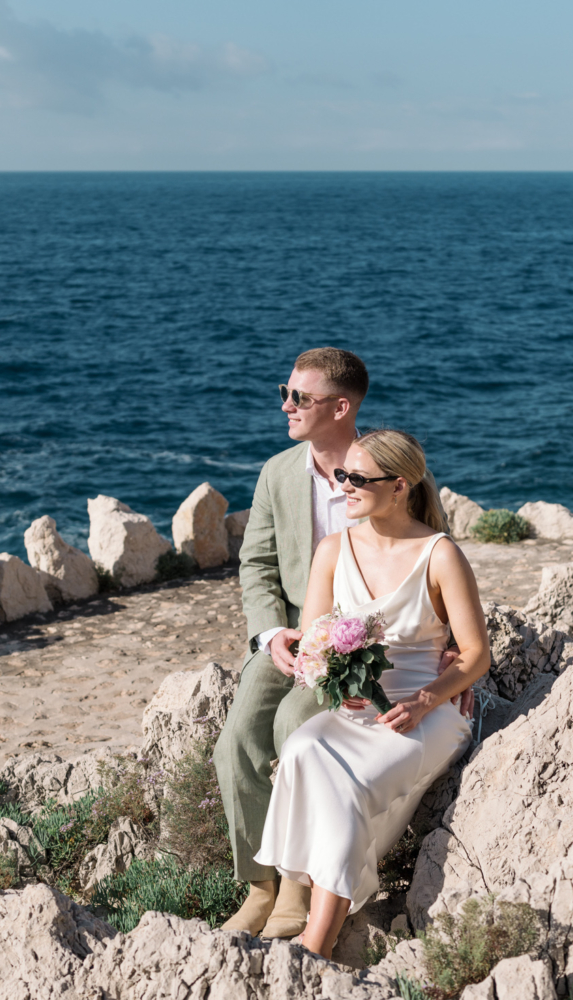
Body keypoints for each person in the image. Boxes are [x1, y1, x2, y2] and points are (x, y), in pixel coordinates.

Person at [253, 429, 488, 959]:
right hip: (354, 708)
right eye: (342, 475)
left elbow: (476, 654)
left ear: (400, 485)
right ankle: (317, 908)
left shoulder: (440, 554)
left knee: (349, 787)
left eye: (358, 478)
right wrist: (335, 684)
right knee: (302, 749)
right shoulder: (333, 549)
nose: (344, 487)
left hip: (425, 711)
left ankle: (318, 940)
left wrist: (430, 696)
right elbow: (315, 641)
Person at [214, 347, 370, 938]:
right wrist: (271, 634)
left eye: (299, 397)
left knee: (294, 732)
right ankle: (259, 885)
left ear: (340, 406)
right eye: (286, 390)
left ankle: (298, 885)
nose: (286, 405)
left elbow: (427, 555)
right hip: (289, 640)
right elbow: (255, 565)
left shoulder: (387, 466)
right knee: (236, 746)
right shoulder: (279, 472)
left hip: (360, 648)